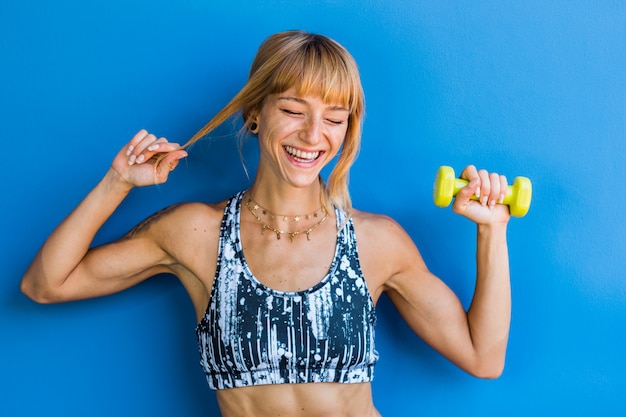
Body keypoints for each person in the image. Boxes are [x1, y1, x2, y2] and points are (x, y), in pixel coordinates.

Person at [21, 30, 512, 417]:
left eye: (334, 118)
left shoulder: (375, 242)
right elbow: (46, 285)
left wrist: (491, 231)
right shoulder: (197, 234)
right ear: (255, 114)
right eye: (294, 110)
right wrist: (117, 183)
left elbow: (483, 358)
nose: (313, 135)